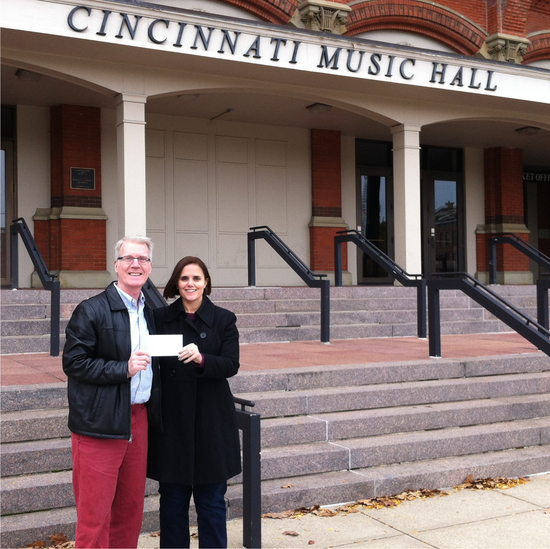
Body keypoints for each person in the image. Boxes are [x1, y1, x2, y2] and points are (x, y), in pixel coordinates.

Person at [62, 236, 162, 549]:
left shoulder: (153, 312)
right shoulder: (91, 310)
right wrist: (123, 368)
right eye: (129, 258)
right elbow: (74, 363)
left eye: (143, 259)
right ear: (116, 265)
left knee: (129, 513)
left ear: (150, 267)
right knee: (95, 517)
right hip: (100, 425)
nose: (136, 264)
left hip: (138, 420)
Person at [147, 256, 241, 549]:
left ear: (206, 283)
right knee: (172, 502)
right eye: (185, 278)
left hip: (211, 421)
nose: (190, 284)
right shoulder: (159, 317)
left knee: (211, 501)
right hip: (172, 421)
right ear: (177, 282)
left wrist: (202, 359)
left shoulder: (224, 319)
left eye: (196, 278)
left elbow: (230, 364)